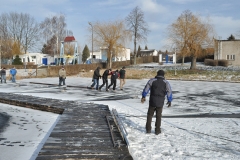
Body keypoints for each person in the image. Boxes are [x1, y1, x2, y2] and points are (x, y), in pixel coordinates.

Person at [141, 70, 172, 135]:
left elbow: (146, 88)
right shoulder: (166, 82)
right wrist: (169, 100)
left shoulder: (152, 81)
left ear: (157, 74)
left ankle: (148, 129)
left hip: (152, 100)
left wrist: (143, 96)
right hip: (160, 101)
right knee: (158, 116)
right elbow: (169, 91)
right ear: (163, 75)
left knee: (150, 115)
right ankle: (157, 130)